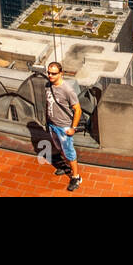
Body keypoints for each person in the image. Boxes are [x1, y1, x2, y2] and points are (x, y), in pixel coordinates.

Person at [44, 62, 83, 192]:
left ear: (61, 73)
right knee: (59, 148)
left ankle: (76, 177)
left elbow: (78, 110)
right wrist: (47, 120)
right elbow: (48, 103)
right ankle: (66, 167)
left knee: (69, 153)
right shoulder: (47, 85)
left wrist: (73, 128)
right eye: (49, 72)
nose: (50, 75)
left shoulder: (67, 89)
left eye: (53, 73)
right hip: (52, 124)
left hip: (64, 127)